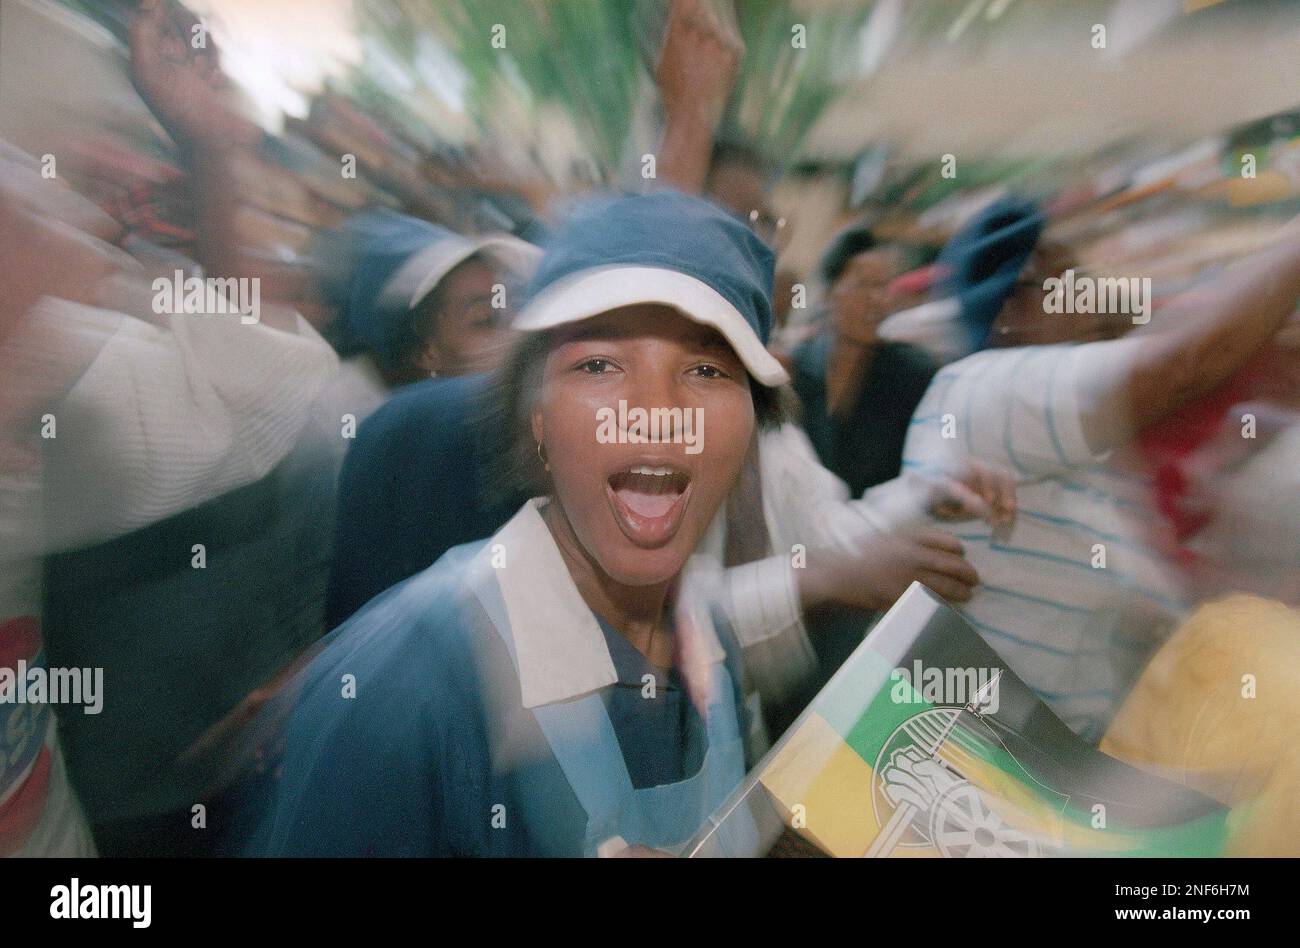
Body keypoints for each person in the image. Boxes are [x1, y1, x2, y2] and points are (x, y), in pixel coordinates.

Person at [235, 191, 1005, 857]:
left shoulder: (708, 648)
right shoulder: (402, 693)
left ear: (753, 432)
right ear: (535, 416)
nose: (656, 413)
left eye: (707, 370)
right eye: (599, 364)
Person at [899, 196, 1300, 742]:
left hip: (1044, 761)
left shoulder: (1076, 449)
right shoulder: (987, 387)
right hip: (977, 764)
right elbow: (1188, 362)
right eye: (1067, 281)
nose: (1091, 297)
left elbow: (1145, 607)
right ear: (1009, 313)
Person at [791, 225, 939, 494]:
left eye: (884, 287)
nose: (878, 300)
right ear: (829, 293)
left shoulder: (912, 375)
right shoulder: (799, 367)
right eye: (864, 285)